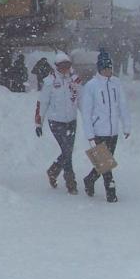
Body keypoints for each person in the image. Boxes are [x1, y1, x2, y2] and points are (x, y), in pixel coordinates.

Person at [79, 49, 131, 203]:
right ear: (100, 69)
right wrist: (90, 134)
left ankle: (89, 179)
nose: (108, 71)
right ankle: (111, 191)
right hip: (98, 131)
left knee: (105, 163)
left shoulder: (116, 83)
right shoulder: (91, 86)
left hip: (112, 131)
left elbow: (122, 106)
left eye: (110, 68)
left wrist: (126, 126)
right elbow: (86, 112)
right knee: (106, 165)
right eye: (105, 68)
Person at [35, 52, 82, 194]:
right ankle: (70, 181)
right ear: (56, 67)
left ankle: (53, 170)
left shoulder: (74, 81)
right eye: (62, 66)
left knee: (68, 151)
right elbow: (42, 103)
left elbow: (80, 100)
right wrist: (39, 123)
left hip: (71, 121)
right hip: (56, 121)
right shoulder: (50, 82)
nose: (65, 69)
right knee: (67, 150)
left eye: (67, 66)